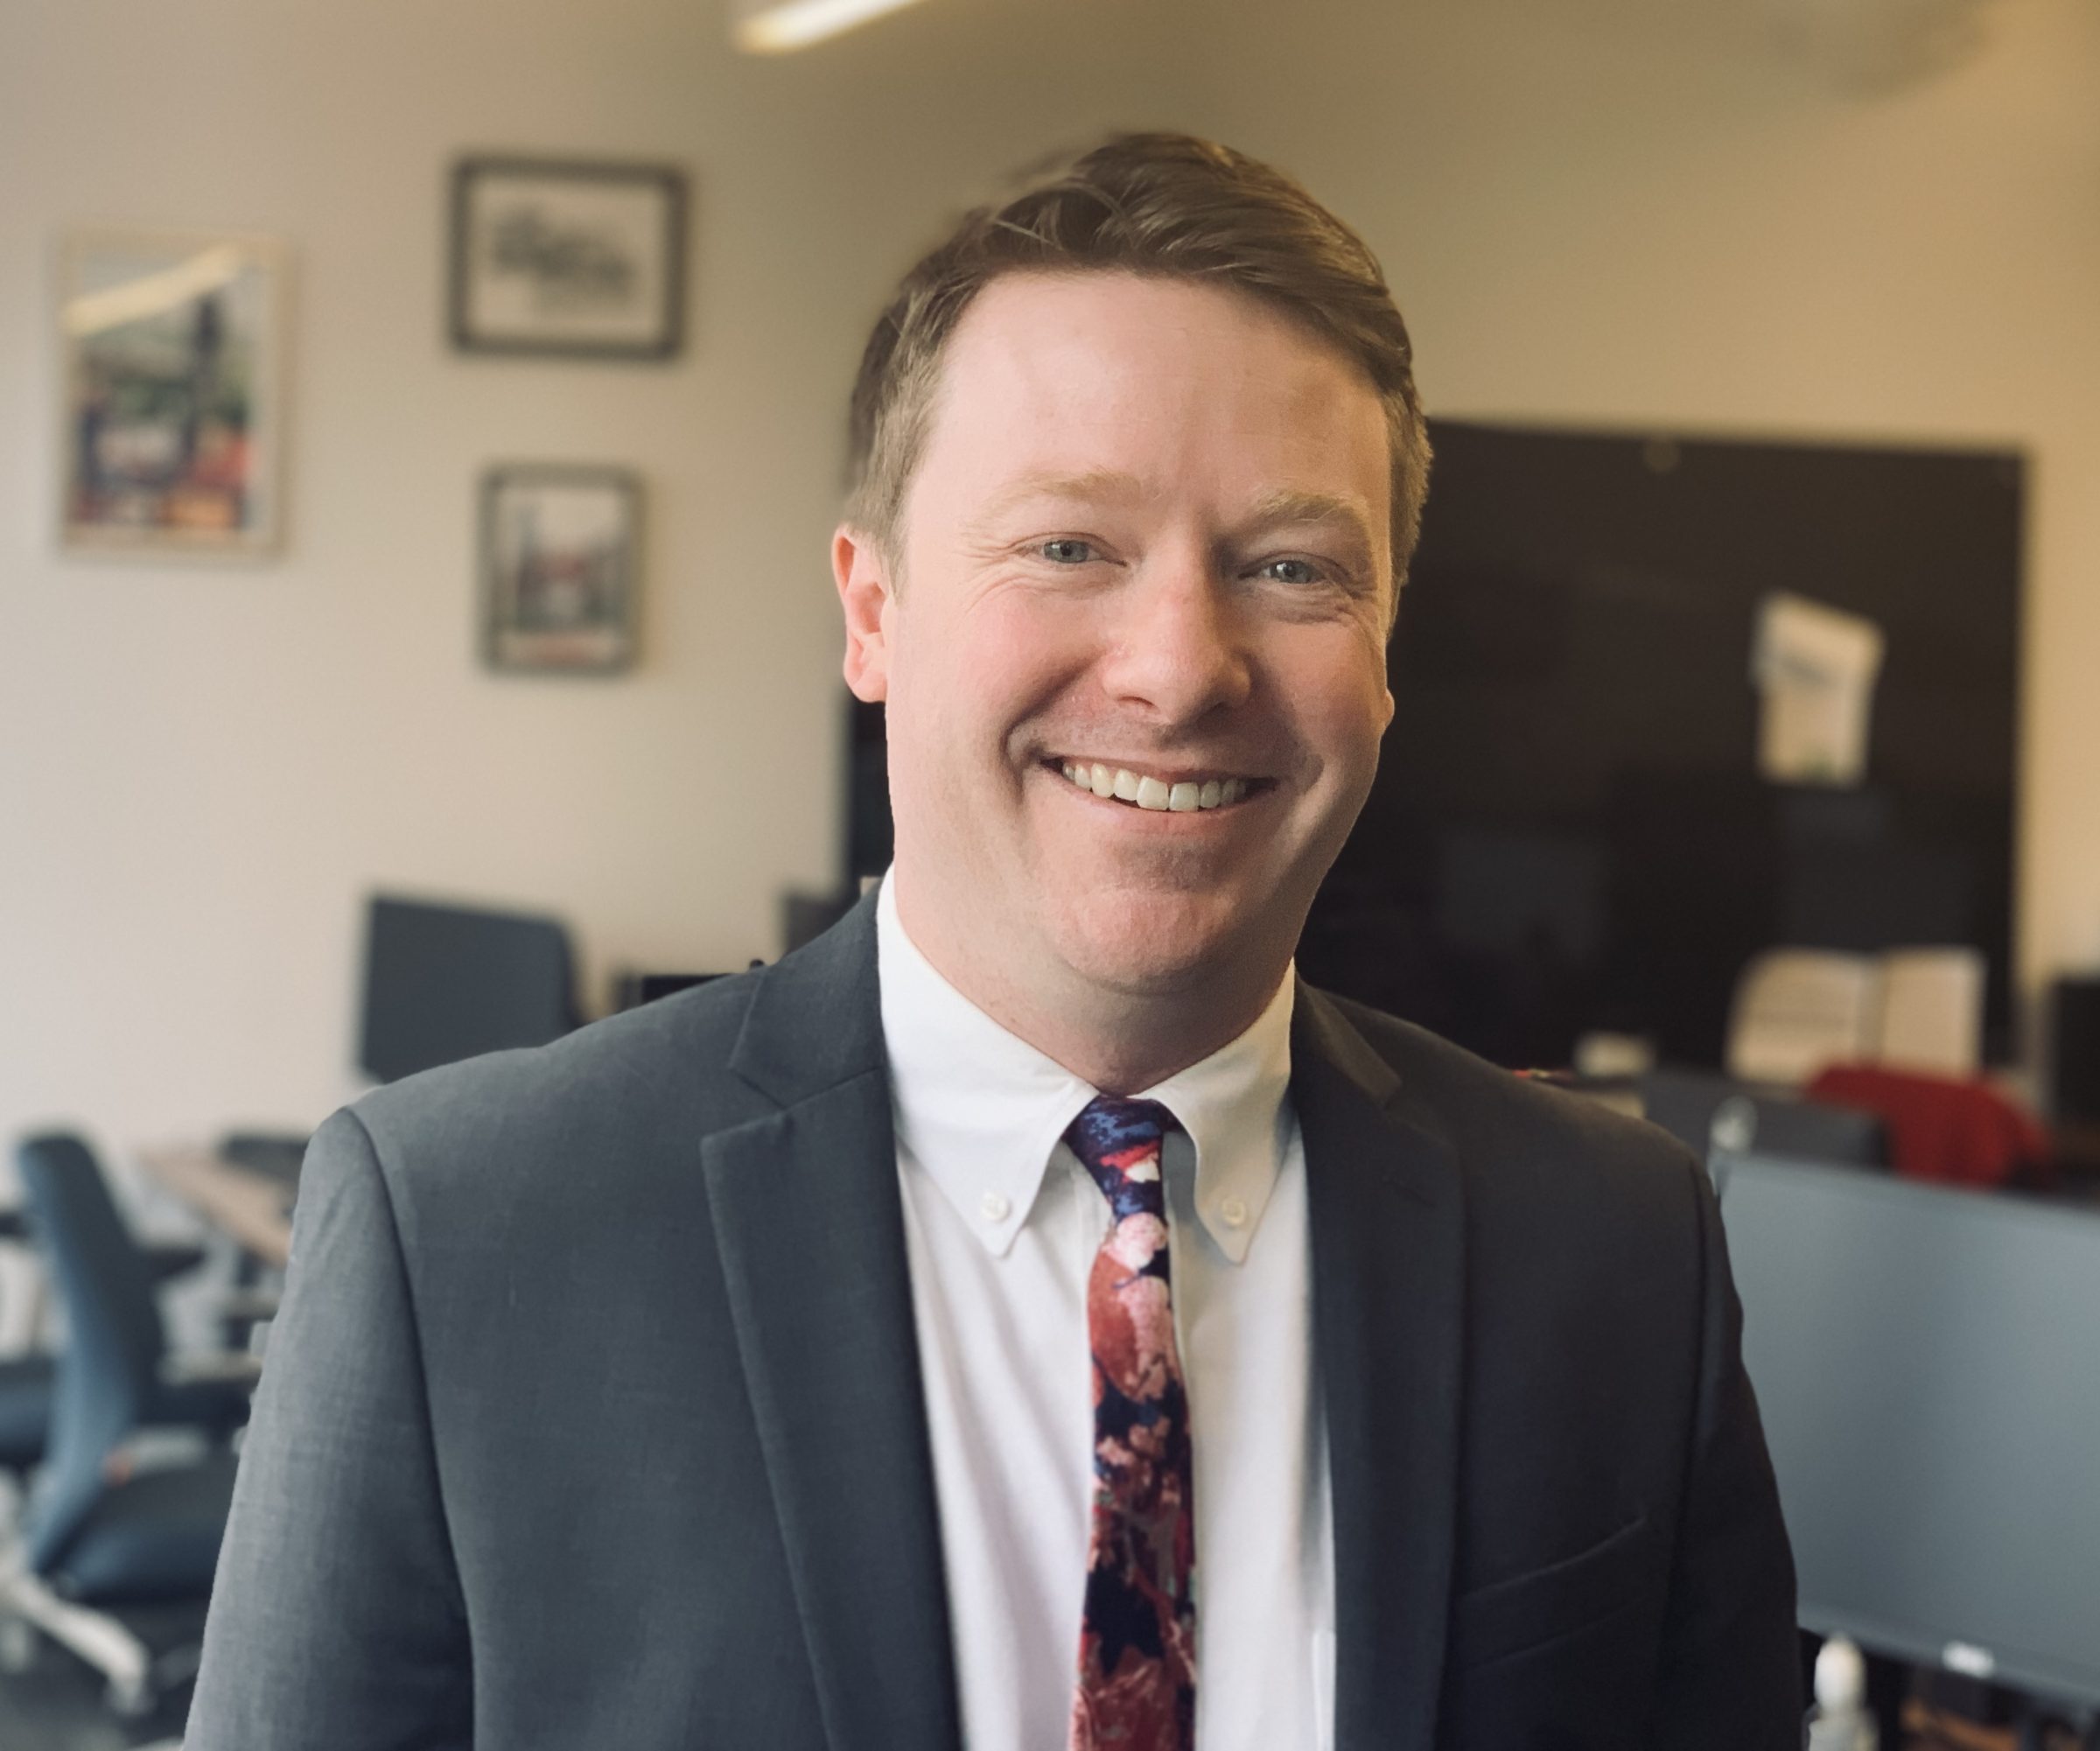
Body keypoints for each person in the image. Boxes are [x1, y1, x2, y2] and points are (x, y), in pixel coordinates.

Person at [186, 132, 1801, 1751]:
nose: (1180, 668)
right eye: (1069, 546)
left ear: (1385, 659)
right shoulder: (465, 1234)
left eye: (1291, 567)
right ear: (871, 611)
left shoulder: (1613, 1250)